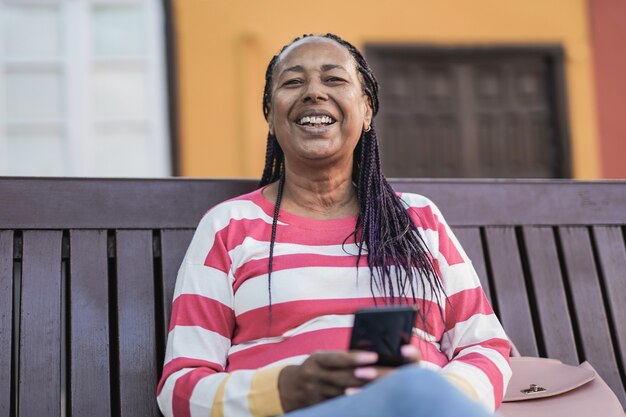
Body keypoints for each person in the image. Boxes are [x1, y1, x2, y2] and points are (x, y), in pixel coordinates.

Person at [157, 33, 511, 417]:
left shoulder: (417, 220)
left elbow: (486, 347)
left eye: (334, 79)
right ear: (271, 118)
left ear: (367, 110)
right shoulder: (229, 226)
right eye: (293, 82)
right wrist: (283, 390)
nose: (313, 93)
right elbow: (180, 386)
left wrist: (429, 394)